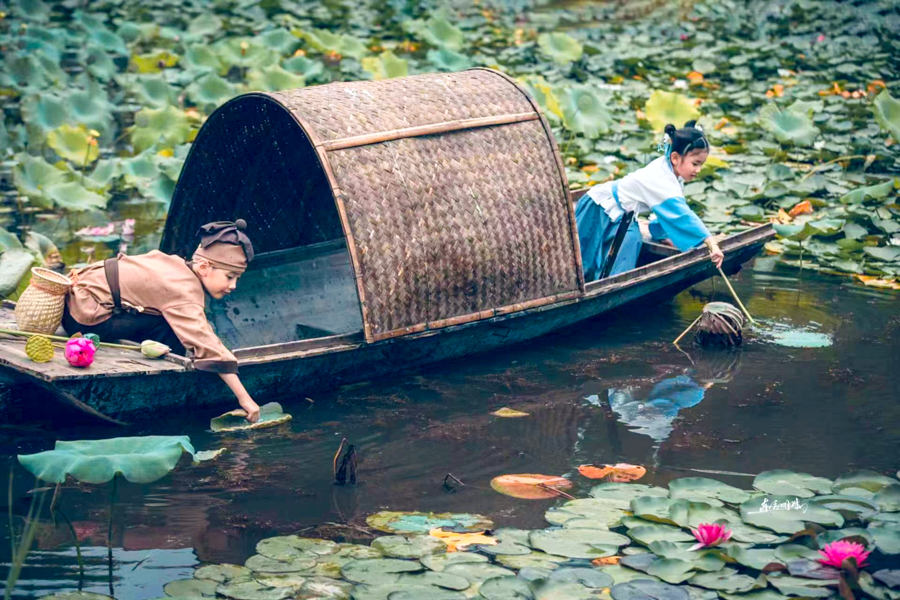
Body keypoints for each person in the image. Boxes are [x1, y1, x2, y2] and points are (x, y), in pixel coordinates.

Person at [62, 220, 261, 422]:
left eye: (237, 278)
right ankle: (167, 383)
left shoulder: (175, 263)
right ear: (203, 266)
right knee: (170, 325)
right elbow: (206, 343)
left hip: (75, 304)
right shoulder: (183, 290)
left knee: (170, 319)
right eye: (229, 277)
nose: (233, 285)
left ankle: (162, 363)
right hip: (86, 318)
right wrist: (245, 399)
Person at [575, 120, 724, 281]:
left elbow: (667, 212)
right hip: (600, 207)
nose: (698, 170)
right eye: (695, 163)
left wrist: (663, 235)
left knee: (630, 241)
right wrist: (711, 243)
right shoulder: (661, 177)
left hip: (624, 214)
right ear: (675, 158)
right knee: (585, 263)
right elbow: (682, 215)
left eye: (701, 164)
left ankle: (613, 286)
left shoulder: (673, 174)